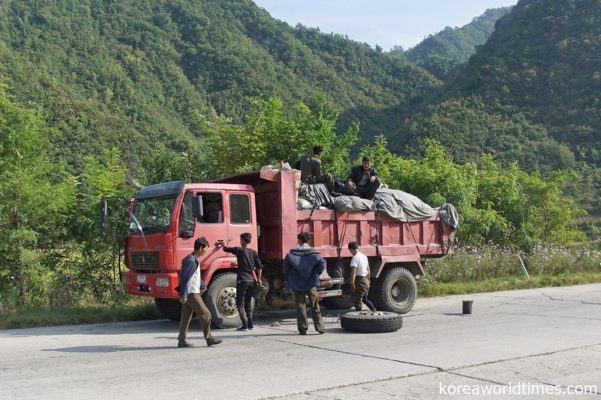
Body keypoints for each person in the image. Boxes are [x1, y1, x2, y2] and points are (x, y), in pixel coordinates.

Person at [177, 237, 222, 348]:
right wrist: (183, 295)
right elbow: (184, 278)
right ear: (200, 248)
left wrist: (202, 285)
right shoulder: (191, 261)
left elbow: (195, 276)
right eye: (206, 248)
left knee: (186, 317)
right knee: (206, 314)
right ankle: (209, 338)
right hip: (191, 293)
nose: (206, 250)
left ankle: (181, 341)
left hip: (191, 292)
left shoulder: (193, 259)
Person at [283, 232, 326, 335]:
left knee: (300, 305)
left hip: (297, 283)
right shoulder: (314, 254)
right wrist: (315, 273)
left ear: (299, 241)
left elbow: (285, 268)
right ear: (309, 241)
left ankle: (303, 329)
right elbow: (322, 264)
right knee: (315, 305)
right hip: (311, 283)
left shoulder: (291, 255)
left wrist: (290, 277)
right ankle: (320, 327)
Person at [220, 233, 263, 331]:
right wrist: (259, 279)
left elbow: (226, 249)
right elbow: (259, 267)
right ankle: (250, 324)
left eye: (241, 240)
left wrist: (224, 244)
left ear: (243, 241)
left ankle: (244, 325)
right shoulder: (254, 252)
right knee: (248, 303)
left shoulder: (239, 250)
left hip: (242, 280)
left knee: (239, 303)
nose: (240, 241)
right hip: (251, 281)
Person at [347, 241, 376, 312]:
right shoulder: (364, 256)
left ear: (351, 249)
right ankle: (374, 310)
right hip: (365, 279)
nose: (350, 252)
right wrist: (368, 280)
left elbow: (353, 272)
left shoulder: (355, 258)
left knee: (358, 300)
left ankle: (358, 316)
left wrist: (352, 283)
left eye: (350, 250)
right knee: (365, 299)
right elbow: (368, 269)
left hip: (360, 280)